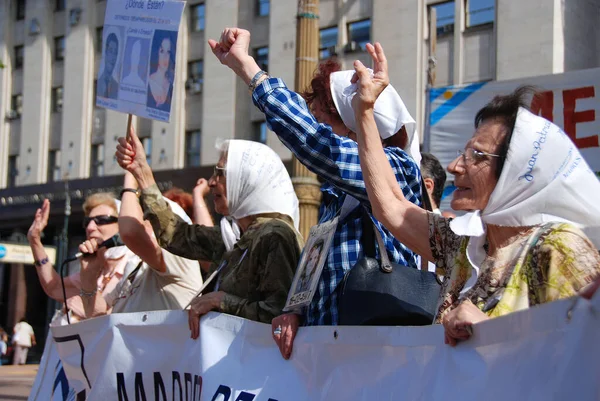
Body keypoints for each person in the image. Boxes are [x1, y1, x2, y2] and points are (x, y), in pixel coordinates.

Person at [350, 43, 600, 346]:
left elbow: (583, 357)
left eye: (477, 156)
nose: (455, 166)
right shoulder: (463, 245)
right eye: (463, 153)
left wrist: (494, 334)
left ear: (519, 172)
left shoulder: (559, 248)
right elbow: (390, 205)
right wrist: (364, 110)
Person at [207, 28, 423, 360]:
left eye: (325, 121)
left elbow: (317, 145)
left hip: (378, 364)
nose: (322, 130)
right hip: (330, 366)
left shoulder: (398, 168)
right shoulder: (338, 198)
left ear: (354, 125)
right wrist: (296, 311)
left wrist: (248, 69)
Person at [115, 127, 303, 338]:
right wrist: (141, 172)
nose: (212, 182)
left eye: (220, 173)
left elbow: (280, 317)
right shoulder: (234, 236)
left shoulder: (275, 235)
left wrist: (220, 301)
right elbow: (177, 235)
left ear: (246, 178)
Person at [77, 170, 203, 317]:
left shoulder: (178, 254)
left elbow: (131, 233)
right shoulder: (134, 267)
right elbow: (96, 312)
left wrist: (131, 175)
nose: (139, 223)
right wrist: (88, 277)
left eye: (144, 218)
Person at [28, 193, 129, 322]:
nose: (91, 227)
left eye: (102, 220)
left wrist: (83, 308)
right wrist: (34, 240)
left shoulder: (135, 264)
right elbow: (55, 287)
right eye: (87, 222)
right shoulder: (96, 268)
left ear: (122, 225)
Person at [147, 31, 175, 111]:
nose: (165, 56)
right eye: (162, 51)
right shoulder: (147, 82)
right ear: (157, 53)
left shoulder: (171, 85)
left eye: (168, 52)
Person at [97, 33, 119, 99]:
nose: (113, 57)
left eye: (115, 52)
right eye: (110, 51)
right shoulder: (98, 82)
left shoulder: (117, 86)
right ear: (105, 52)